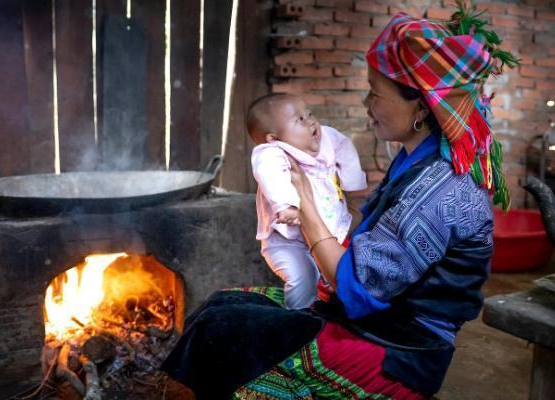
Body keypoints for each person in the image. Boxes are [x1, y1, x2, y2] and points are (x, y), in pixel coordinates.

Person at [160, 3, 519, 399]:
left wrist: (308, 205)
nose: (367, 104)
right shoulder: (418, 157)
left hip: (400, 350)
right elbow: (370, 245)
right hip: (379, 316)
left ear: (420, 106)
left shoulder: (441, 189)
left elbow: (355, 288)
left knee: (227, 337)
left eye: (375, 93)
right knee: (222, 304)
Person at [247, 94, 367, 309]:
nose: (310, 120)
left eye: (309, 114)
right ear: (274, 138)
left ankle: (328, 307)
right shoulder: (273, 153)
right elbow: (269, 174)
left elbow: (344, 146)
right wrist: (286, 204)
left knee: (342, 270)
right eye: (299, 120)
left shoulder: (327, 139)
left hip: (328, 230)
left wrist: (353, 182)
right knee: (304, 276)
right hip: (287, 242)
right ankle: (299, 316)